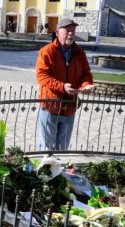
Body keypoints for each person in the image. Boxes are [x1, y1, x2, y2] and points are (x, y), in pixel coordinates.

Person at [35, 19, 94, 151]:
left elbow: (86, 74)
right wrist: (62, 87)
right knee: (46, 148)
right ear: (57, 32)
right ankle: (43, 171)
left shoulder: (80, 53)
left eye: (73, 30)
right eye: (67, 30)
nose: (70, 34)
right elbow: (42, 76)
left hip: (69, 108)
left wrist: (86, 85)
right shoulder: (47, 51)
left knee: (62, 148)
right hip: (51, 107)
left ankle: (59, 171)